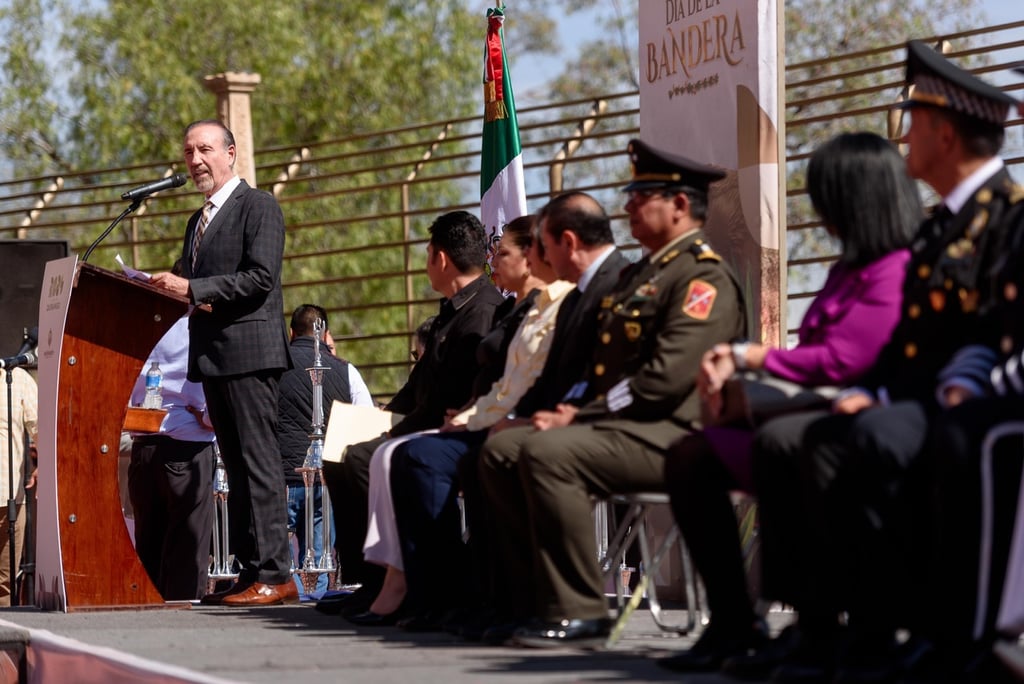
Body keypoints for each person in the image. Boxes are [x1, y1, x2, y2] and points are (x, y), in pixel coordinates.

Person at [744, 41, 1021, 682]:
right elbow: (907, 343)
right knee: (792, 437)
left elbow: (990, 337)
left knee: (869, 435)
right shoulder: (938, 229)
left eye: (913, 125)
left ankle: (899, 631)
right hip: (919, 399)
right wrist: (873, 388)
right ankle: (822, 629)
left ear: (944, 134)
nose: (904, 141)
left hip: (971, 404)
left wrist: (892, 398)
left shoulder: (1007, 219)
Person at [656, 131, 922, 672]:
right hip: (811, 414)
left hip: (853, 422)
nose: (819, 209)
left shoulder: (897, 268)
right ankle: (736, 622)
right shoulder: (847, 269)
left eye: (825, 195)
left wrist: (751, 357)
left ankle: (816, 625)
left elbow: (845, 357)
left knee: (783, 446)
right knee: (692, 456)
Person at [477, 139, 746, 647]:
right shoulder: (643, 274)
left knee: (547, 452)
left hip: (674, 431)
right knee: (502, 450)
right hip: (629, 428)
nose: (627, 207)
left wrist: (579, 417)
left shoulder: (700, 277)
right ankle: (533, 600)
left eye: (642, 195)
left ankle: (583, 611)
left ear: (681, 206)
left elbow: (665, 380)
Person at [348, 214, 571, 629]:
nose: (494, 260)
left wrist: (479, 416)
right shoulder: (515, 310)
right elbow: (492, 382)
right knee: (391, 455)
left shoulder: (519, 308)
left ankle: (442, 587)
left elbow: (520, 382)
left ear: (531, 257)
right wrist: (474, 413)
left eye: (502, 252)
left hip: (511, 425)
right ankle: (407, 584)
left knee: (410, 455)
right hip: (483, 420)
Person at [319, 210, 505, 615]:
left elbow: (459, 391)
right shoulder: (453, 308)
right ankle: (367, 578)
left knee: (363, 456)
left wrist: (396, 425)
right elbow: (420, 380)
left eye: (427, 254)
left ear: (440, 259)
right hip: (420, 416)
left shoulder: (483, 311)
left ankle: (399, 577)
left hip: (447, 424)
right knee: (337, 446)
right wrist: (385, 412)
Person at [150, 119, 296, 607]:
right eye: (188, 151)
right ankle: (250, 572)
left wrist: (192, 289)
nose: (194, 160)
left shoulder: (259, 206)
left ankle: (277, 574)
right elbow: (188, 283)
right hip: (214, 358)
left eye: (205, 149)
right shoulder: (198, 221)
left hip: (251, 355)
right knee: (234, 469)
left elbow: (259, 278)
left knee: (258, 466)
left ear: (230, 153)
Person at [277, 304, 373, 597]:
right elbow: (365, 420)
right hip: (326, 478)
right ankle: (314, 601)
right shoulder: (346, 370)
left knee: (281, 553)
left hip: (281, 475)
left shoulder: (274, 368)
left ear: (292, 333)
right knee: (319, 557)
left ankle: (288, 594)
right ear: (326, 334)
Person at [128, 306, 217, 601]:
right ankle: (185, 620)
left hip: (143, 448)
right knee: (187, 548)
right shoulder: (201, 330)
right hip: (186, 447)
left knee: (148, 542)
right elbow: (210, 414)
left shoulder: (140, 328)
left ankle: (148, 609)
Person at [0, 364, 37, 607]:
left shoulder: (17, 379)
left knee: (5, 582)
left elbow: (40, 428)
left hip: (9, 499)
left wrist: (41, 463)